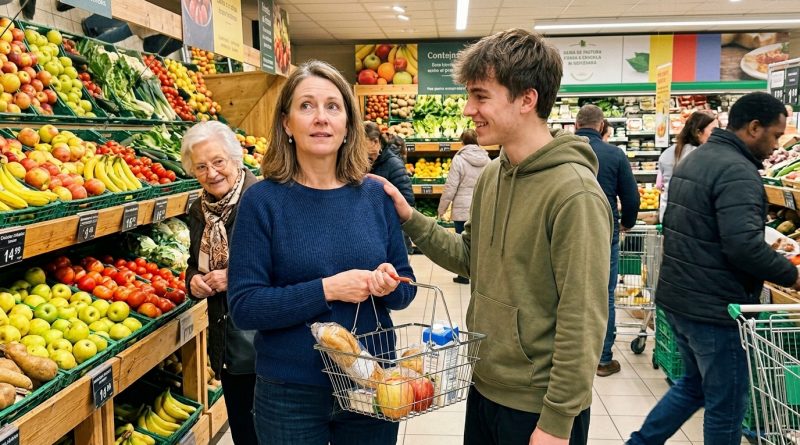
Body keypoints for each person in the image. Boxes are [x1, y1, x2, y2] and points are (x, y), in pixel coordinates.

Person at [372, 29, 612, 445]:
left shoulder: (575, 194)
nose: (469, 109)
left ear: (527, 99)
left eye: (481, 96)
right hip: (484, 386)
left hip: (538, 406)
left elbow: (584, 318)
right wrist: (409, 217)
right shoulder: (492, 175)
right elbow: (469, 257)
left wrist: (556, 422)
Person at [226, 60, 416, 445]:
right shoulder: (261, 201)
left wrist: (387, 284)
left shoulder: (375, 195)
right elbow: (245, 306)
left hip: (374, 383)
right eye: (306, 106)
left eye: (333, 106)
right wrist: (327, 289)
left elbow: (405, 288)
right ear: (286, 123)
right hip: (289, 391)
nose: (321, 118)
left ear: (348, 124)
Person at [628, 92, 800, 445]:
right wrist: (793, 276)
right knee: (726, 406)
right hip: (715, 309)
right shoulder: (738, 171)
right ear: (754, 128)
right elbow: (743, 246)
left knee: (693, 387)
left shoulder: (696, 159)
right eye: (775, 135)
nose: (776, 144)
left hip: (680, 298)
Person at [181, 121, 259, 445]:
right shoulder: (198, 210)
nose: (211, 173)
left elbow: (288, 269)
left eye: (218, 162)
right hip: (228, 347)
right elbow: (191, 265)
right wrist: (193, 282)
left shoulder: (261, 200)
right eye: (201, 166)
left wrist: (235, 276)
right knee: (245, 434)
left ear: (235, 159)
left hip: (265, 346)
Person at [575, 105, 640, 377]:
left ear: (576, 126)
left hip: (568, 231)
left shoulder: (562, 150)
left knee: (564, 291)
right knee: (604, 295)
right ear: (602, 126)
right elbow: (632, 198)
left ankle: (567, 356)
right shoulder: (615, 154)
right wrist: (626, 223)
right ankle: (602, 360)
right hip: (604, 231)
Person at [436, 128, 490, 284]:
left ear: (463, 142)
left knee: (461, 242)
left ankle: (464, 275)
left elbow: (450, 187)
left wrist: (442, 208)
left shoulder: (459, 159)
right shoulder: (487, 160)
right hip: (481, 207)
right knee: (478, 241)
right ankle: (478, 273)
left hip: (461, 208)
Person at [656, 112, 718, 222]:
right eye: (713, 131)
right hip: (692, 220)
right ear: (698, 132)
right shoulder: (702, 156)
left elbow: (661, 186)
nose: (718, 135)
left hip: (668, 216)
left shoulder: (667, 153)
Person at [365, 122, 415, 256]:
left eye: (367, 155)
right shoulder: (364, 163)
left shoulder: (393, 164)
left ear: (376, 142)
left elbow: (407, 200)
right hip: (371, 235)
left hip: (392, 236)